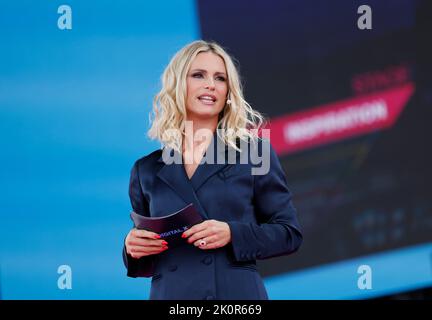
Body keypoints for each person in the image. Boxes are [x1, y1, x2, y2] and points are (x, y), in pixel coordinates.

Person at [122, 40, 302, 300]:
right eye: (198, 75)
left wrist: (232, 233)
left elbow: (289, 234)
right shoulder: (146, 169)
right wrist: (131, 248)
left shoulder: (254, 152)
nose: (211, 85)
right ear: (177, 85)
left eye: (220, 78)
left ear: (228, 91)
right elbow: (146, 256)